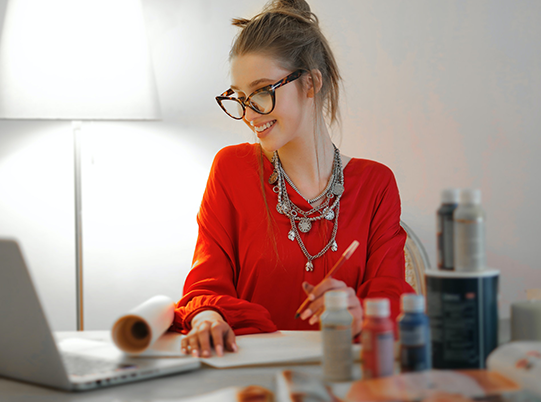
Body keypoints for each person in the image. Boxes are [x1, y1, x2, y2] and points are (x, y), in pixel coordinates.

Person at [173, 0, 415, 358]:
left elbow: (391, 295)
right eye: (240, 97)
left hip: (343, 372)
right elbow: (205, 286)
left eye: (262, 91)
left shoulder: (375, 184)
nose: (249, 113)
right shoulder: (231, 169)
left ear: (311, 83)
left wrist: (359, 312)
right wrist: (207, 318)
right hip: (251, 373)